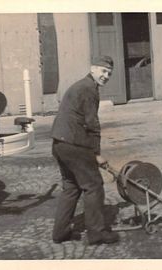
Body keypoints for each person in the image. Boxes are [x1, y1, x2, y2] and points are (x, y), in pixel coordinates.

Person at [51, 55, 119, 245]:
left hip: (59, 143)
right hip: (74, 144)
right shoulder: (89, 89)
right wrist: (97, 154)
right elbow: (92, 124)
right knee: (94, 186)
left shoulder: (80, 85)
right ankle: (97, 234)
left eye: (109, 73)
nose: (106, 76)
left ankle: (60, 233)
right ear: (93, 69)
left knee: (71, 188)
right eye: (103, 71)